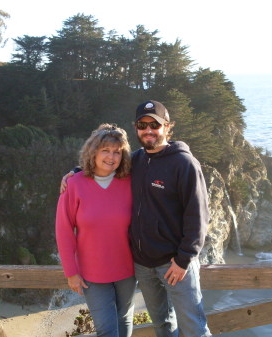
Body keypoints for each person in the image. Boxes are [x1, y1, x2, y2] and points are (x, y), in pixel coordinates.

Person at [61, 101, 211, 337]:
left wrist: (184, 260)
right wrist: (76, 172)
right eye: (143, 124)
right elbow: (106, 163)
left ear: (167, 126)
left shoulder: (184, 163)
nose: (148, 130)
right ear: (136, 128)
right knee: (162, 323)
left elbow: (199, 216)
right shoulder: (137, 161)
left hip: (174, 264)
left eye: (155, 124)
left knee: (194, 327)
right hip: (142, 265)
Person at [55, 123, 136, 337]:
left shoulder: (130, 182)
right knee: (107, 330)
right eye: (105, 151)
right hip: (93, 274)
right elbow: (64, 230)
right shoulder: (75, 184)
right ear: (93, 153)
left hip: (128, 270)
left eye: (117, 152)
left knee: (124, 322)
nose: (111, 157)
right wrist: (71, 272)